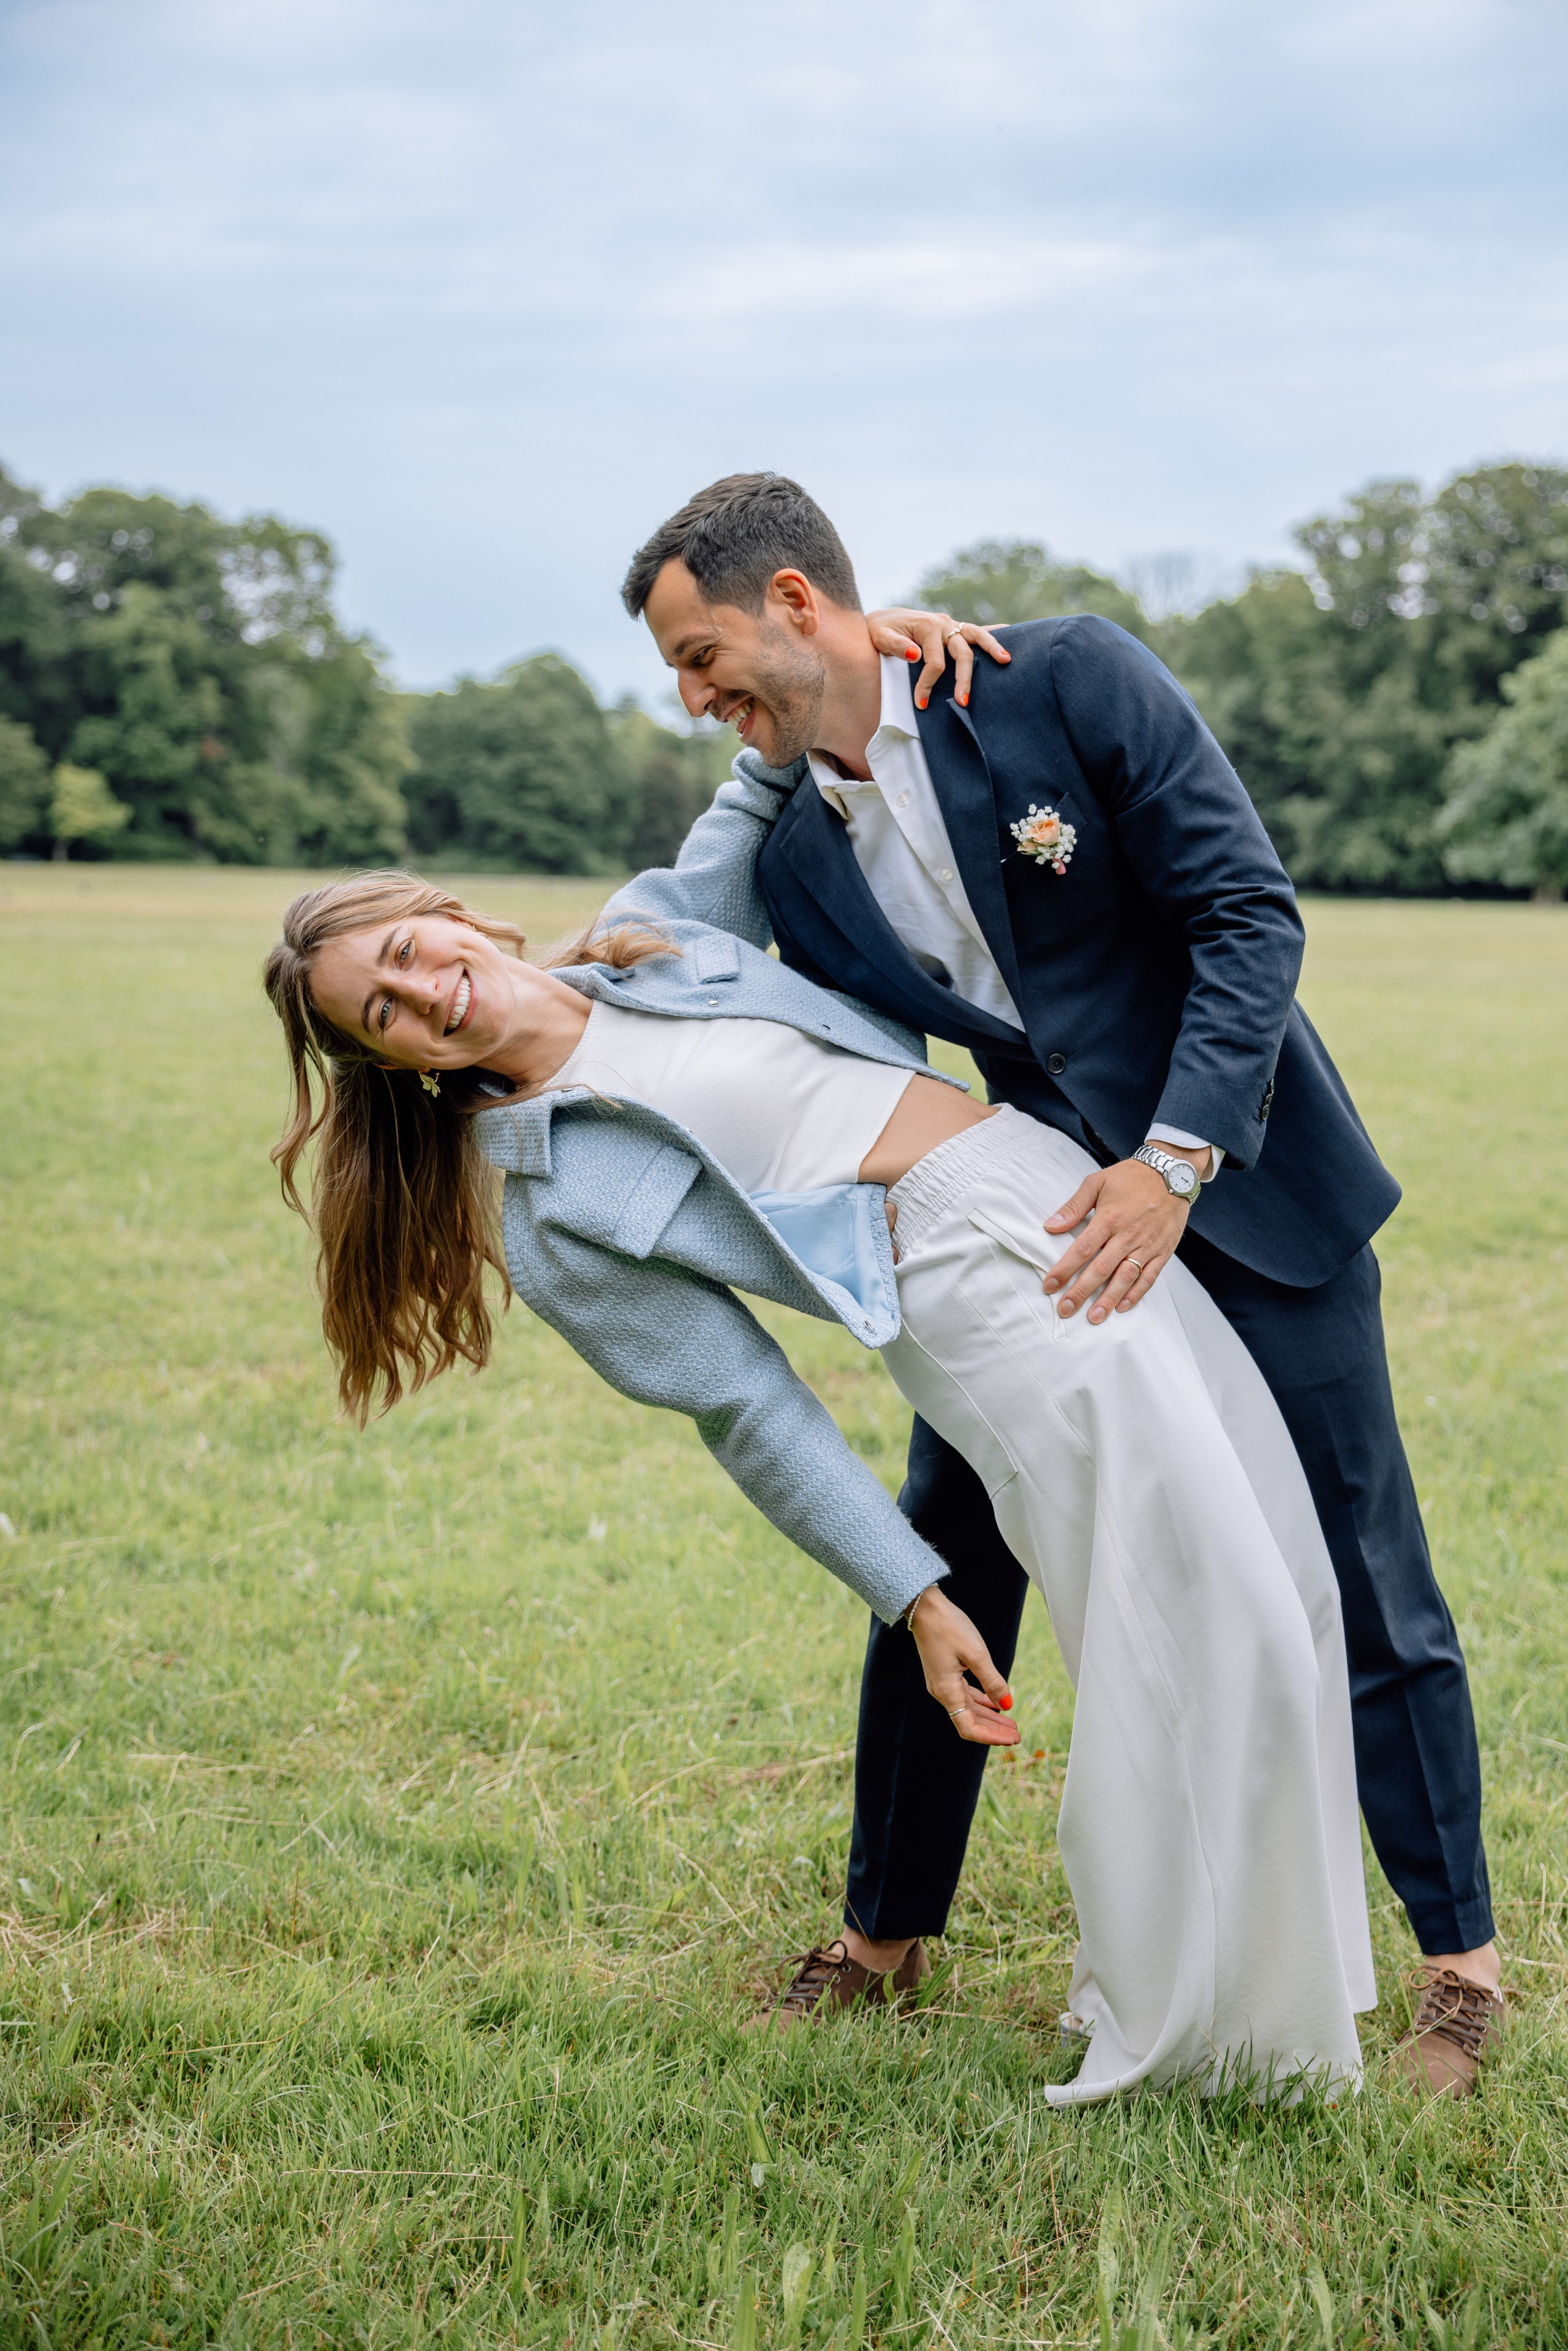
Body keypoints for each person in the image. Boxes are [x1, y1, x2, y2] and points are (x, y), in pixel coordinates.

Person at [617, 472, 1503, 2100]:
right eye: (677, 673)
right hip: (1038, 1229)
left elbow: (1249, 913)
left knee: (1367, 1560)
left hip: (1243, 1188)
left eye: (702, 652)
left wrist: (1174, 1164)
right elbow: (660, 942)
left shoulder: (1067, 676)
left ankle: (1462, 1965)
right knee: (950, 1546)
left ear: (800, 600)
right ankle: (886, 1932)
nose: (690, 696)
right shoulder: (791, 849)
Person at [265, 858, 1373, 2105]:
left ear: (451, 914)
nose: (424, 995)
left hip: (1063, 1193)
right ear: (400, 1065)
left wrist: (905, 649)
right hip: (976, 1292)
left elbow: (773, 750)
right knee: (1191, 1613)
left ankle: (1287, 1982)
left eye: (408, 951)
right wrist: (916, 1594)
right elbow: (748, 1408)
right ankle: (1197, 2031)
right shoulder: (543, 1198)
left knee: (1269, 1566)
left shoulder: (655, 934)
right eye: (384, 1014)